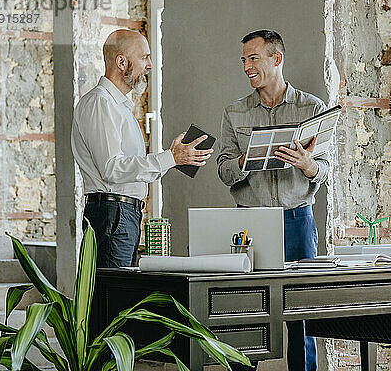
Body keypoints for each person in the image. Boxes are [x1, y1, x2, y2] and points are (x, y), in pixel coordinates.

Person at [217, 30, 329, 371]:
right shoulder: (234, 112)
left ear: (276, 59)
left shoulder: (312, 108)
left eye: (254, 58)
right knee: (245, 312)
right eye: (243, 61)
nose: (247, 67)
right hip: (249, 224)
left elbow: (324, 168)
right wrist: (244, 161)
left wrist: (309, 165)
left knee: (302, 314)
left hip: (298, 221)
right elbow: (223, 169)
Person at [72, 29, 213, 268]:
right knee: (113, 299)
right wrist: (169, 158)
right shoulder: (101, 104)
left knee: (119, 297)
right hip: (112, 214)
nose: (149, 65)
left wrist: (173, 160)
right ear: (121, 62)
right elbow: (112, 169)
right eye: (144, 57)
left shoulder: (119, 106)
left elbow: (126, 168)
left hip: (120, 214)